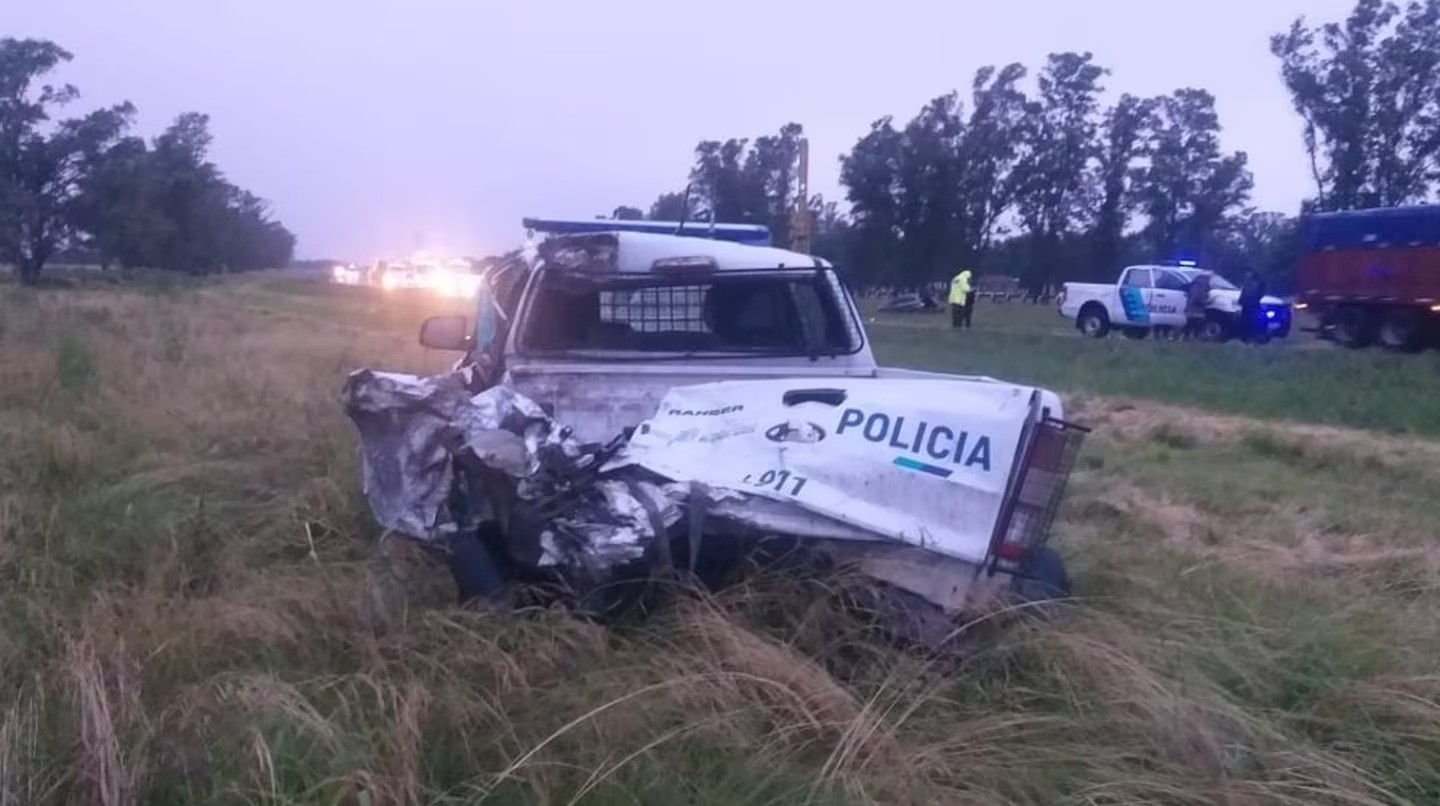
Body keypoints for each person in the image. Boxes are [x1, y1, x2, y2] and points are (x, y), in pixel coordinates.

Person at [1238, 271, 1267, 344]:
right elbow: (1243, 293)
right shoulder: (1246, 283)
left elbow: (1262, 292)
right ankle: (1245, 339)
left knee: (1253, 323)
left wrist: (1257, 298)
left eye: (1249, 273)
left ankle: (1254, 339)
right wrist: (1241, 301)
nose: (1247, 274)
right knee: (1244, 323)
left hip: (1253, 305)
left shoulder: (1257, 283)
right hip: (1246, 306)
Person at [1183, 271, 1211, 340]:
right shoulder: (1201, 287)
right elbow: (1199, 298)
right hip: (1197, 310)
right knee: (1196, 325)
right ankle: (1195, 337)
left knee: (1190, 324)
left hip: (1190, 309)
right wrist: (1206, 302)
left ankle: (1187, 337)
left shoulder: (1194, 285)